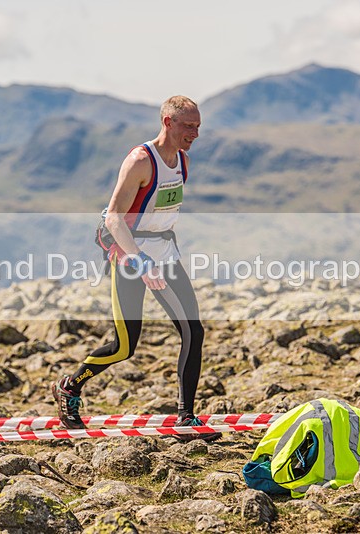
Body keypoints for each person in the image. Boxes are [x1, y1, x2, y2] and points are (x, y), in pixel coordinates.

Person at [51, 95, 220, 441]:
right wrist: (140, 261)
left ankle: (186, 417)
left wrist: (161, 255)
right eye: (189, 126)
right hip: (130, 256)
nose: (195, 134)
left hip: (165, 255)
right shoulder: (141, 161)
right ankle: (69, 386)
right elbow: (114, 217)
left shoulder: (182, 162)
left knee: (193, 331)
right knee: (124, 346)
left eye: (199, 126)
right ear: (168, 123)